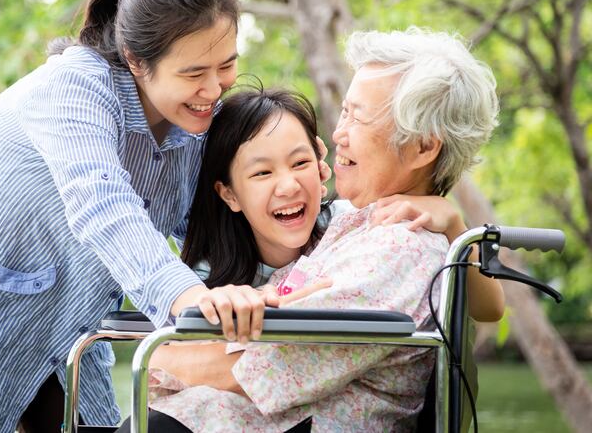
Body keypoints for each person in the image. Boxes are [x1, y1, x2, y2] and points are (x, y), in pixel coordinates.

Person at [0, 0, 284, 433]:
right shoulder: (73, 85)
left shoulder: (197, 123)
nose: (213, 89)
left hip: (64, 329)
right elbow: (102, 205)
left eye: (227, 65)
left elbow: (221, 221)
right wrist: (187, 297)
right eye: (193, 73)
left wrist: (301, 191)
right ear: (136, 59)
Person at [119, 28, 502, 432]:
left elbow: (259, 369)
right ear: (228, 193)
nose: (338, 134)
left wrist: (162, 357)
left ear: (423, 147)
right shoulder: (355, 222)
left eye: (358, 116)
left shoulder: (399, 250)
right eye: (345, 112)